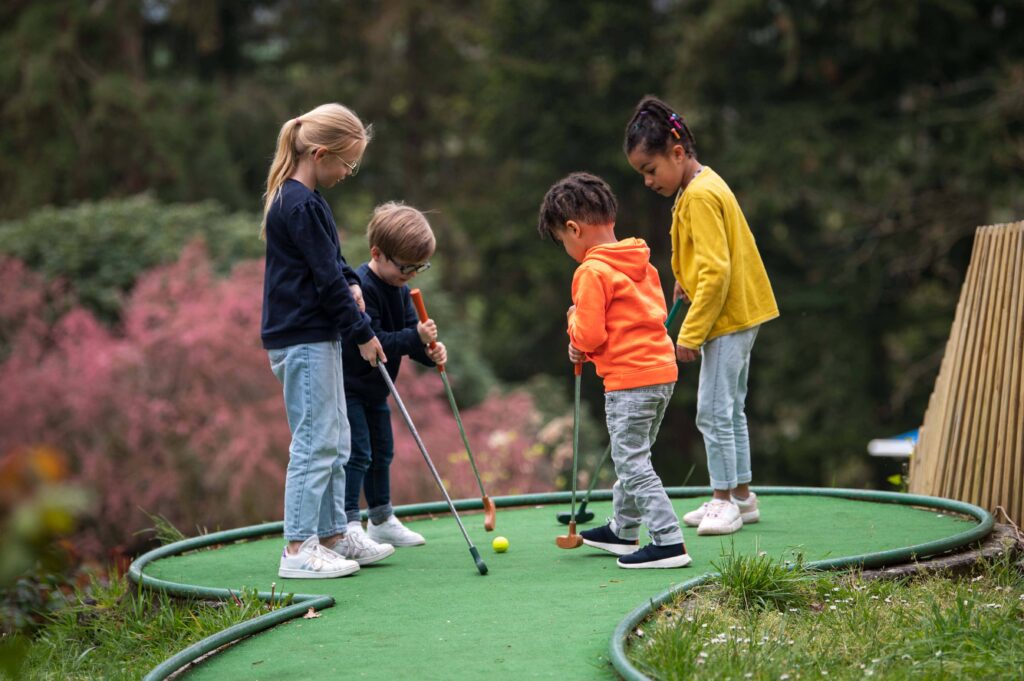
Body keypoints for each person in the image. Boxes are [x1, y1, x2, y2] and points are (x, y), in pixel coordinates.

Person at [624, 95, 779, 536]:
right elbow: (710, 258)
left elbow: (717, 272)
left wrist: (690, 334)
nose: (648, 182)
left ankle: (723, 500)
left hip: (726, 320)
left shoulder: (698, 197)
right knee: (731, 410)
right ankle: (743, 497)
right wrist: (684, 279)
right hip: (743, 312)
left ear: (677, 152)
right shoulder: (705, 184)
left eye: (650, 170)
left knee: (712, 412)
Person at [261, 103, 394, 579]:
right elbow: (325, 280)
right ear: (320, 154)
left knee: (336, 438)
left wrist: (351, 281)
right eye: (346, 163)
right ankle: (298, 549)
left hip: (319, 335)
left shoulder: (310, 201)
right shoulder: (294, 202)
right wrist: (363, 334)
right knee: (315, 441)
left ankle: (334, 535)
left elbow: (332, 262)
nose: (347, 173)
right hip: (302, 337)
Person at [538, 172, 691, 569]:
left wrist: (573, 326)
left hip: (629, 381)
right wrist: (587, 347)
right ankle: (623, 531)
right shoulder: (641, 263)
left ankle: (669, 542)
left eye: (563, 241)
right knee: (634, 455)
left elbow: (589, 334)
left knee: (632, 462)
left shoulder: (591, 272)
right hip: (661, 372)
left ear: (574, 229)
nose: (567, 249)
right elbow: (634, 323)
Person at [341, 202, 446, 548]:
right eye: (406, 267)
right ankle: (347, 522)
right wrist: (416, 335)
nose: (412, 275)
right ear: (377, 253)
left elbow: (406, 339)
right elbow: (378, 342)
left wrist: (429, 352)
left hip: (376, 390)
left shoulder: (399, 289)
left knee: (383, 451)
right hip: (349, 387)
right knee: (358, 453)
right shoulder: (361, 289)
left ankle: (382, 518)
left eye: (420, 267)